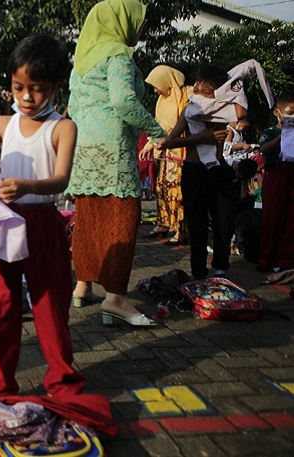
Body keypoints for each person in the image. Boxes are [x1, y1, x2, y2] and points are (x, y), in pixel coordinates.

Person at [0, 34, 84, 400]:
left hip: (44, 223)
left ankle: (61, 380)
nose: (27, 98)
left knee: (50, 305)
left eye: (38, 89)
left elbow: (61, 179)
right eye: (18, 87)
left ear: (58, 86)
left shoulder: (63, 127)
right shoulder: (1, 124)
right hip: (1, 223)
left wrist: (28, 184)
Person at [67, 0, 166, 325]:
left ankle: (82, 286)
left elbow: (72, 107)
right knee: (122, 221)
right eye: (137, 22)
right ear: (120, 22)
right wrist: (155, 130)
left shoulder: (81, 61)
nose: (139, 29)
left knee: (90, 218)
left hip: (84, 151)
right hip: (113, 151)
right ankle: (116, 299)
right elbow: (123, 100)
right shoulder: (118, 55)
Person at [157, 65, 237, 280]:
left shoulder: (225, 110)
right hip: (194, 171)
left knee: (223, 223)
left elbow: (243, 113)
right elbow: (171, 142)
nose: (199, 95)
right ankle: (199, 272)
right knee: (197, 224)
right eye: (197, 90)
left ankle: (221, 268)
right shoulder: (189, 110)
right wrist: (203, 138)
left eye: (206, 92)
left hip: (219, 170)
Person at [140, 65, 191, 245]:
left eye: (156, 84)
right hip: (166, 153)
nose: (155, 90)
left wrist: (154, 143)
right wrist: (150, 144)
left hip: (181, 151)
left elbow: (173, 126)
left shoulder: (187, 95)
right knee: (162, 187)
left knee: (179, 190)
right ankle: (163, 223)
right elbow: (158, 125)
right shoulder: (162, 100)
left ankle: (180, 229)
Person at [257, 90, 294, 272]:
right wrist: (283, 136)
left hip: (292, 173)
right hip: (276, 174)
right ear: (278, 113)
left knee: (290, 219)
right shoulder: (271, 132)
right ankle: (265, 258)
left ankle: (284, 260)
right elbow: (263, 149)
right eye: (290, 112)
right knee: (272, 217)